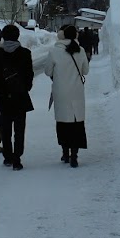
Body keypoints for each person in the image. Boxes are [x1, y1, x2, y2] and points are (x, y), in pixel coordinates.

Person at [45, 24, 90, 167]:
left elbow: (47, 71)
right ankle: (74, 156)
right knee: (76, 122)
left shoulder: (54, 51)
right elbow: (85, 71)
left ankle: (65, 153)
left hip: (60, 91)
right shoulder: (80, 50)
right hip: (76, 91)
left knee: (63, 122)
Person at [0, 23, 34, 171]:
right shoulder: (25, 53)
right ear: (18, 36)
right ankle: (17, 158)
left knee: (6, 128)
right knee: (19, 129)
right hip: (20, 97)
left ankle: (7, 156)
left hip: (4, 97)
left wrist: (2, 90)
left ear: (3, 36)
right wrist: (23, 89)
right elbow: (29, 76)